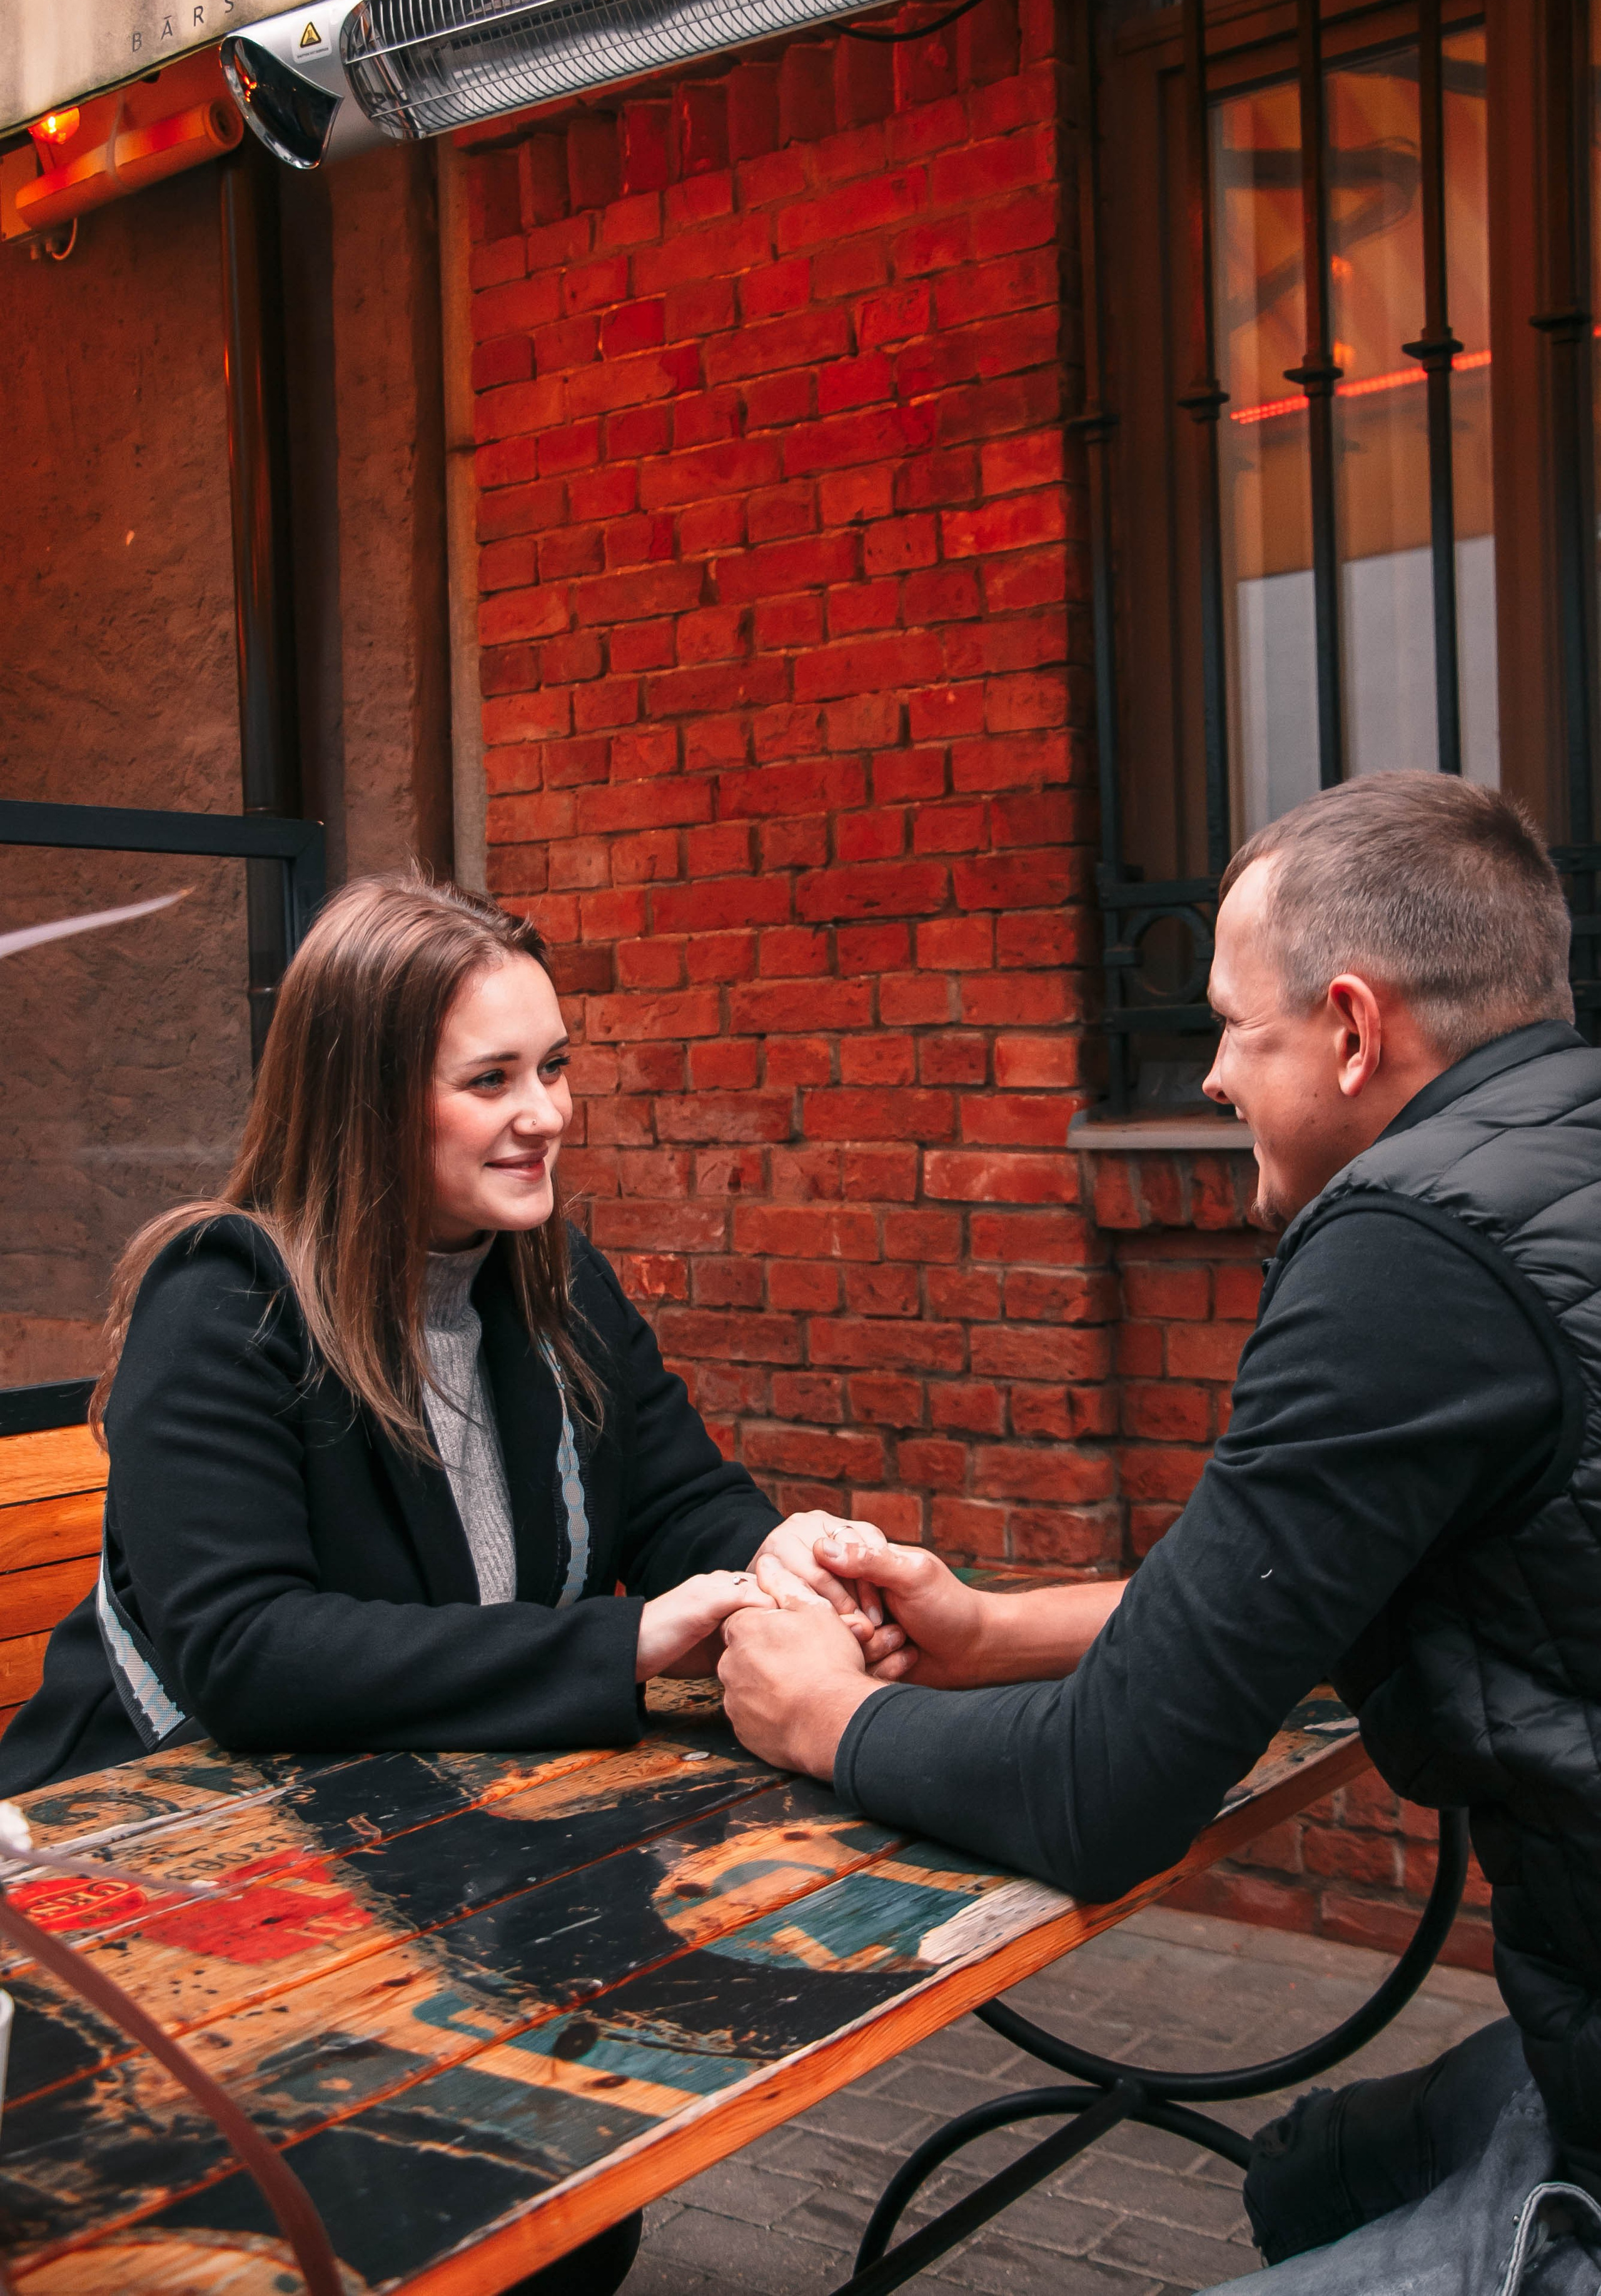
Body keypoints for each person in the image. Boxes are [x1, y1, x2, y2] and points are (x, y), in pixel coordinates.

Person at [725, 772, 1601, 2293]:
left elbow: (1105, 1793)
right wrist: (991, 1630)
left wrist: (826, 1719)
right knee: (1310, 2166)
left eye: (1230, 1028)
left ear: (1347, 1027)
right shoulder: (1552, 1156)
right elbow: (1304, 1587)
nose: (1206, 1077)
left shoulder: (1408, 1247)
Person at [0, 875, 901, 2296]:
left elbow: (677, 1496)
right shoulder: (222, 1300)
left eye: (553, 1067)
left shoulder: (547, 1279)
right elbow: (245, 1651)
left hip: (421, 1845)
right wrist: (619, 1648)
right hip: (162, 1899)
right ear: (362, 1100)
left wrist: (769, 1556)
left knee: (570, 2217)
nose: (544, 1113)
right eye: (491, 1079)